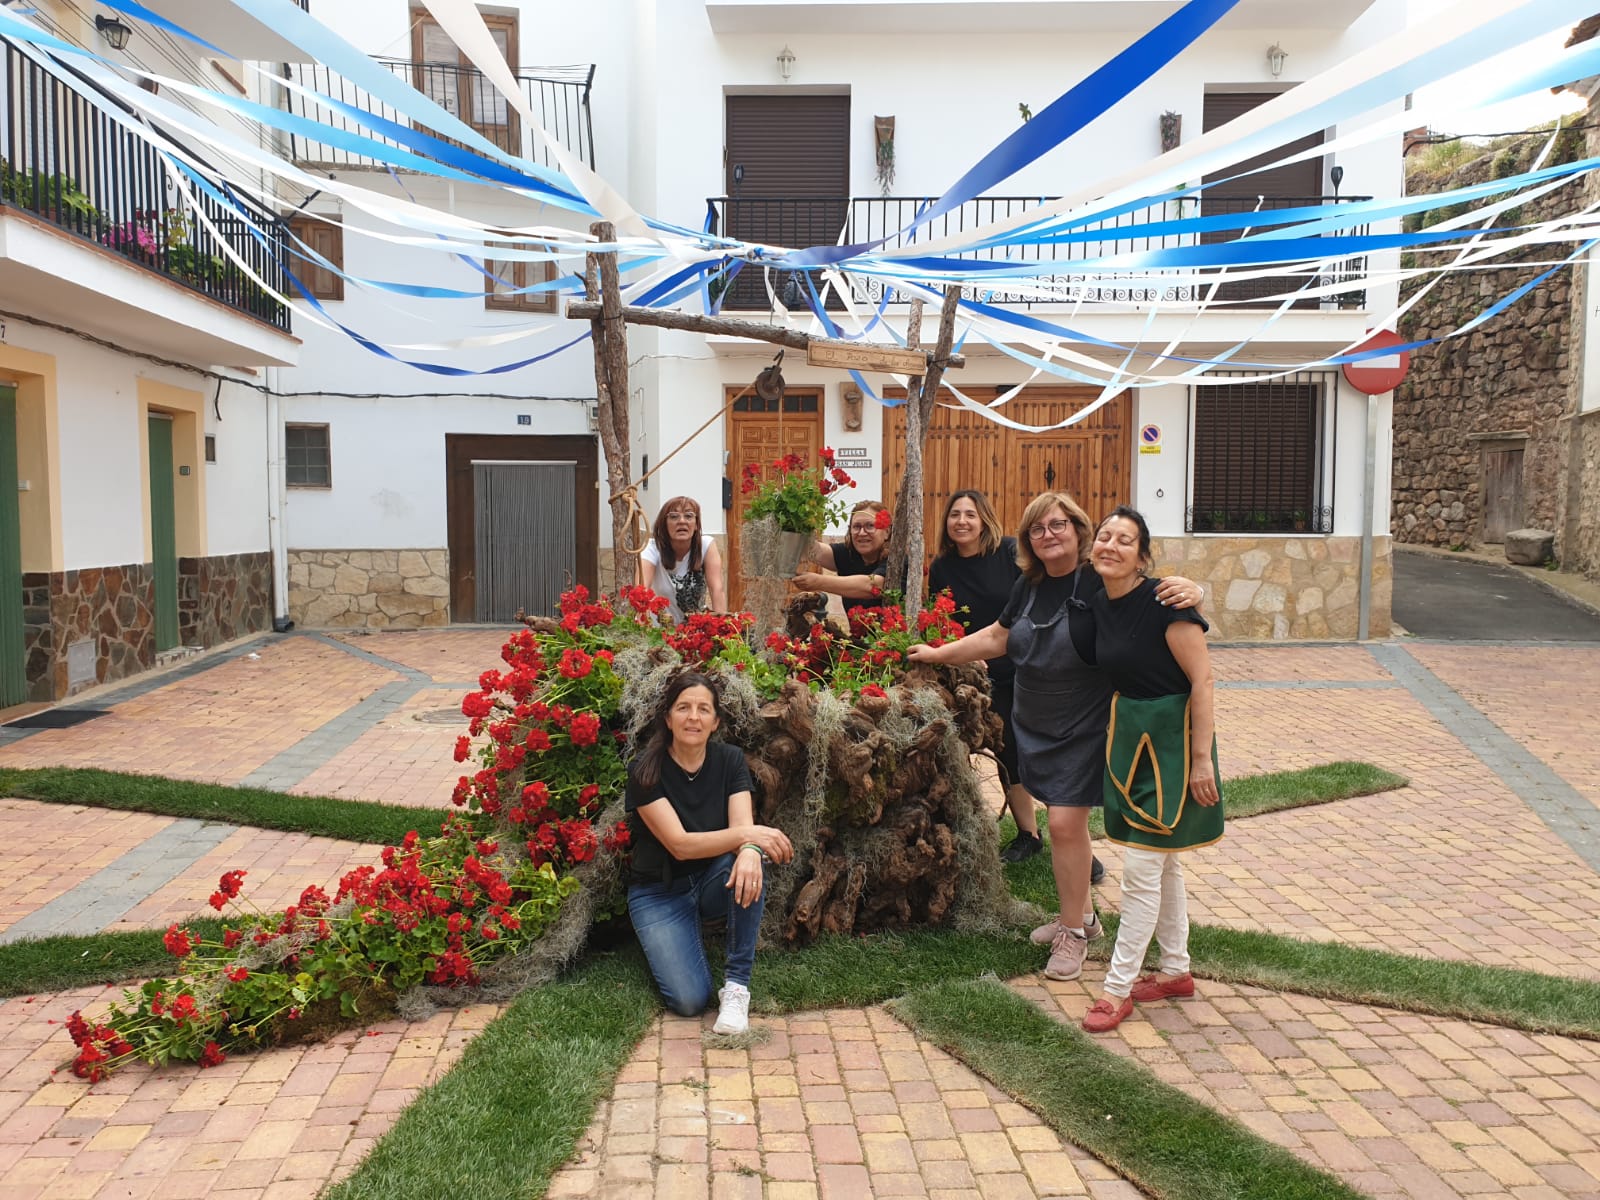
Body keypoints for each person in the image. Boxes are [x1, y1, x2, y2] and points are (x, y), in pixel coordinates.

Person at [907, 492, 1202, 986]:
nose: (1049, 535)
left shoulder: (1099, 578)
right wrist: (940, 654)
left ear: (1079, 530)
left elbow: (1151, 595)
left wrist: (1194, 590)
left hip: (1088, 722)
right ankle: (1082, 916)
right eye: (1038, 529)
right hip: (1035, 720)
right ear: (1027, 540)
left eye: (1059, 525)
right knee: (1068, 826)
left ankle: (1074, 935)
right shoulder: (1030, 583)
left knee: (1064, 824)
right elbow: (999, 637)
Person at [1080, 507, 1222, 1034]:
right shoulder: (1097, 600)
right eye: (1104, 536)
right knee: (1163, 865)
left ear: (1142, 557)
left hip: (1173, 744)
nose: (1110, 546)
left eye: (1125, 540)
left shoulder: (1168, 602)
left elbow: (1203, 680)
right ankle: (1176, 971)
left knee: (1141, 870)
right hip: (1131, 736)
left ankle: (1116, 990)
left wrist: (1201, 759)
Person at [624, 672, 794, 1033]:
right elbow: (680, 845)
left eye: (704, 709)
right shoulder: (644, 771)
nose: (693, 717)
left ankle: (736, 987)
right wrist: (749, 835)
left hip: (714, 879)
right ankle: (685, 935)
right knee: (689, 1001)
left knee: (749, 860)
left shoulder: (730, 760)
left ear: (715, 722)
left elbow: (741, 824)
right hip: (659, 892)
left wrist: (748, 847)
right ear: (667, 718)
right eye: (683, 708)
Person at [927, 490, 1046, 865]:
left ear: (984, 520)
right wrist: (962, 652)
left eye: (970, 515)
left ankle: (1067, 831)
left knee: (1038, 754)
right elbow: (941, 619)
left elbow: (1033, 601)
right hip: (972, 675)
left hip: (1021, 667)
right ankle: (1029, 835)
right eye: (955, 514)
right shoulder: (942, 566)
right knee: (1005, 749)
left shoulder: (1011, 553)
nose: (961, 521)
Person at [793, 500, 905, 613]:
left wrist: (818, 582)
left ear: (886, 532)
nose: (862, 533)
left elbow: (872, 586)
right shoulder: (850, 553)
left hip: (896, 631)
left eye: (870, 526)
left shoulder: (897, 561)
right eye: (856, 527)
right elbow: (814, 550)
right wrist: (793, 523)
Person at [637, 497, 726, 623]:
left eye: (689, 516)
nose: (682, 521)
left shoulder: (706, 545)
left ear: (696, 524)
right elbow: (641, 589)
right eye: (674, 516)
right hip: (659, 632)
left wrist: (723, 629)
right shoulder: (651, 548)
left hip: (696, 630)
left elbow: (717, 589)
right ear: (664, 524)